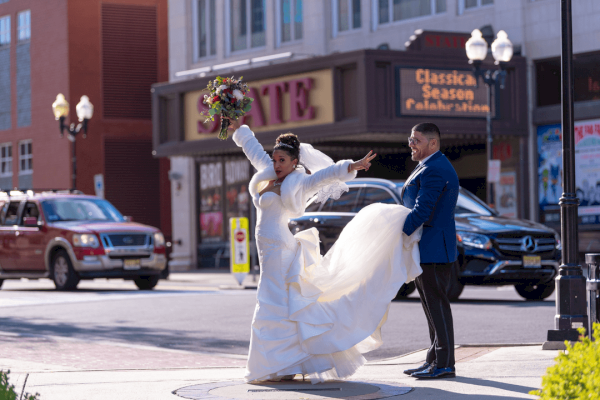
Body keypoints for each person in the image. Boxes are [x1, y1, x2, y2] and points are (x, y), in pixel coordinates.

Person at [226, 118, 423, 384]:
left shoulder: (299, 181)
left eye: (282, 160)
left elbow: (325, 176)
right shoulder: (268, 171)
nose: (276, 164)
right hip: (266, 250)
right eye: (275, 159)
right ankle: (283, 364)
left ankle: (278, 364)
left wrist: (350, 166)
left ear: (295, 162)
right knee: (279, 305)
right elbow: (252, 149)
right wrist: (238, 129)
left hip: (281, 249)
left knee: (272, 304)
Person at [400, 122, 459, 379]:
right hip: (427, 247)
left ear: (432, 143)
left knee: (437, 307)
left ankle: (444, 364)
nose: (411, 144)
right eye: (410, 139)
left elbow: (423, 211)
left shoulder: (435, 168)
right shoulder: (428, 165)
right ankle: (433, 360)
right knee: (430, 307)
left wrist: (396, 231)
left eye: (417, 140)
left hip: (434, 248)